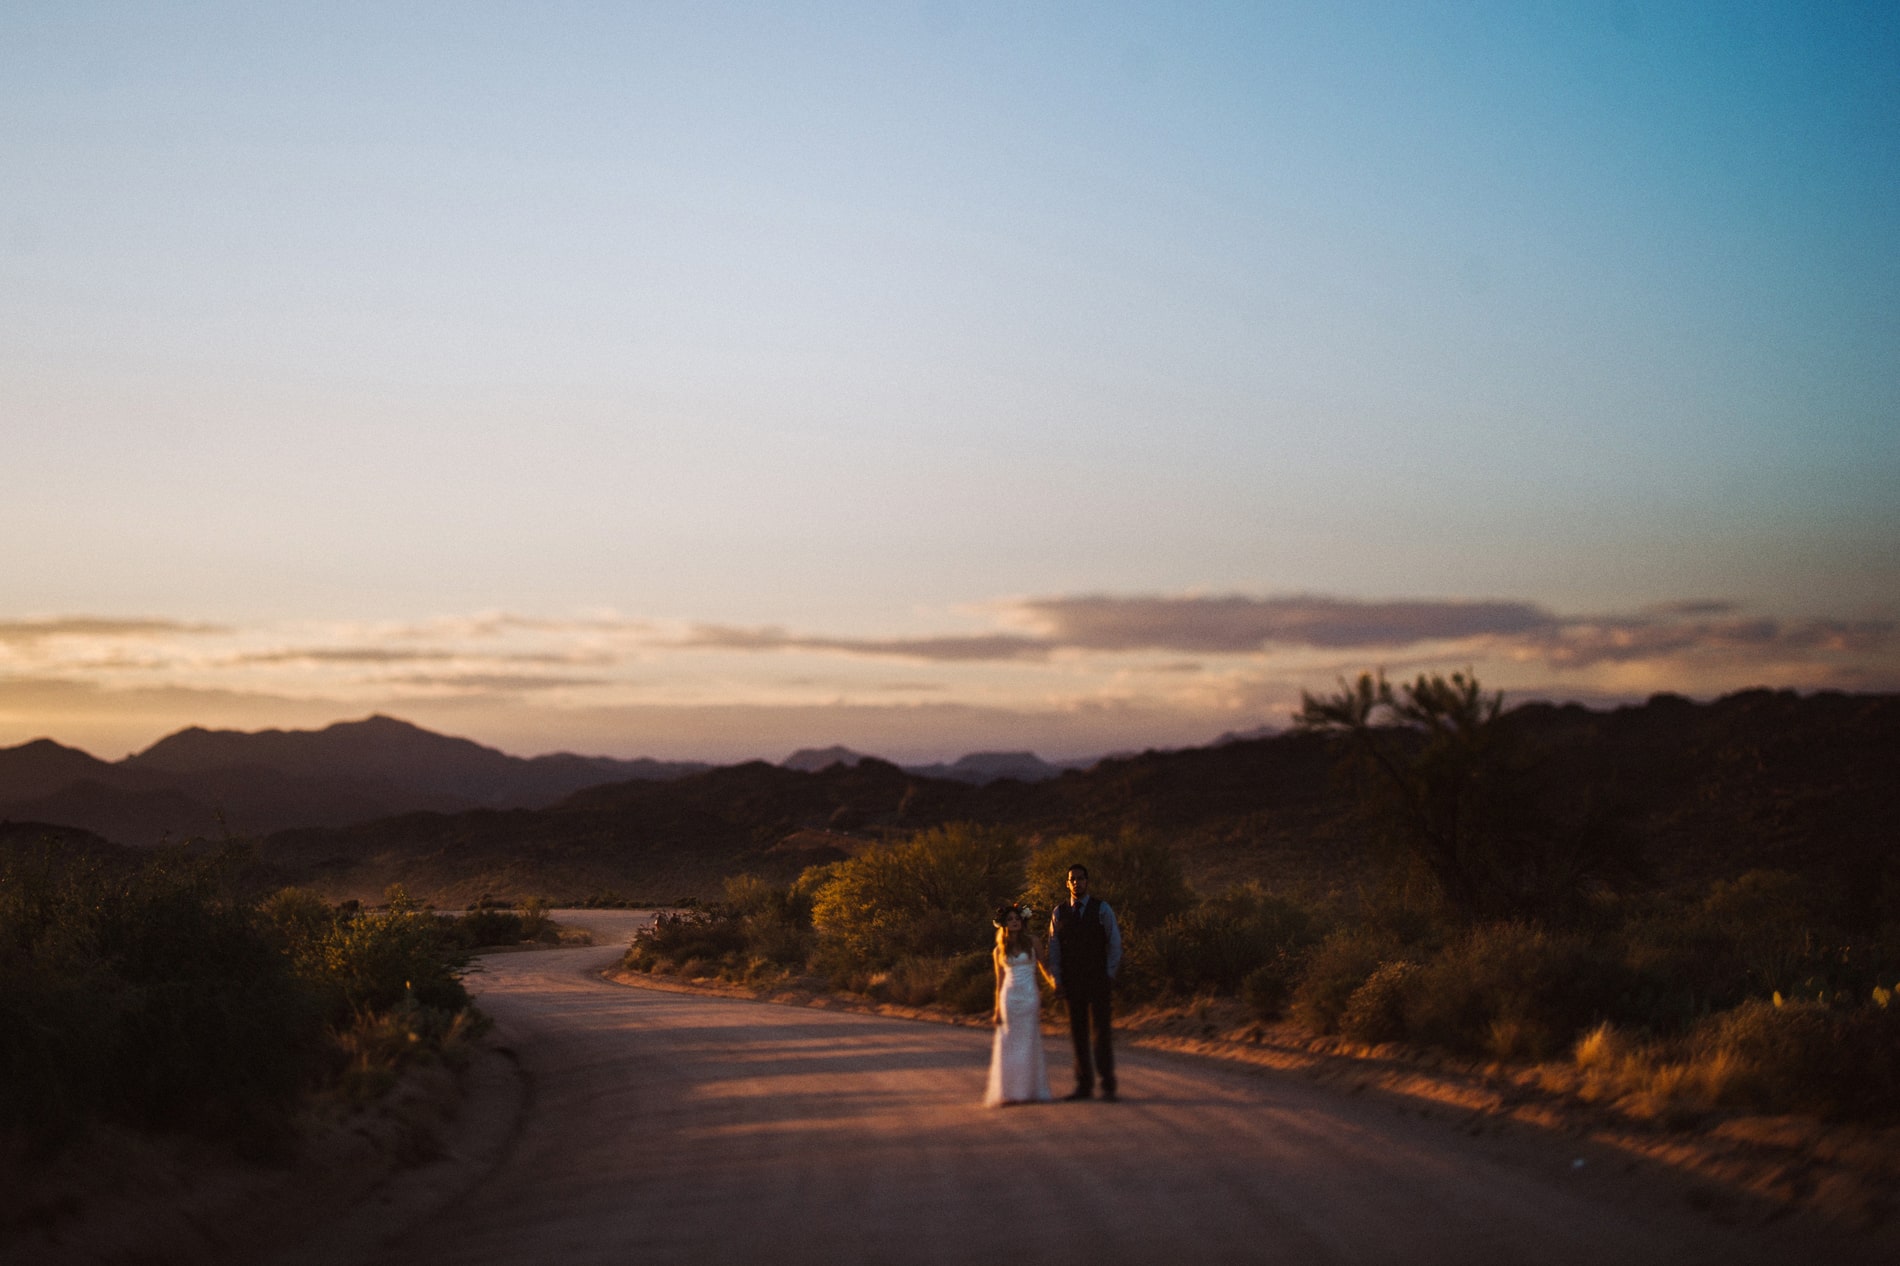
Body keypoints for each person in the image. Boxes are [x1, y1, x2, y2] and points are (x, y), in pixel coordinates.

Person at [1046, 863, 1122, 1101]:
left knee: (1101, 1032)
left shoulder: (1102, 909)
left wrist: (1109, 973)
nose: (1077, 882)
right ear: (1067, 883)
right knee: (1078, 1033)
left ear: (1087, 882)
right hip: (1072, 981)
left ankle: (1108, 1084)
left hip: (1098, 979)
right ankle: (1084, 1085)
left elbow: (1115, 943)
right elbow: (1054, 948)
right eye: (1073, 879)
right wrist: (1056, 979)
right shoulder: (1059, 913)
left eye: (1081, 878)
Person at [983, 903, 1053, 1107]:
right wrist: (997, 1009)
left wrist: (1055, 984)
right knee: (1009, 1042)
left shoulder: (1033, 942)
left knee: (1028, 1040)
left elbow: (1045, 967)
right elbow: (1000, 981)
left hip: (1029, 995)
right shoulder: (999, 950)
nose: (1014, 922)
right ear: (1004, 924)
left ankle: (1029, 1089)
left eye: (1017, 919)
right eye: (1010, 919)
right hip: (1009, 998)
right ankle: (1010, 1091)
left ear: (1022, 922)